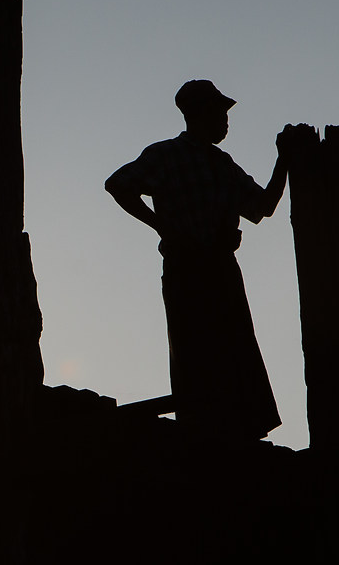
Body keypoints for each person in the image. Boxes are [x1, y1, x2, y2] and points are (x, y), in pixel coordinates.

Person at [103, 80, 299, 439]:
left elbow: (262, 207)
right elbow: (118, 184)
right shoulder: (166, 154)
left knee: (235, 344)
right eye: (219, 113)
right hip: (188, 265)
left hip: (221, 265)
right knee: (196, 346)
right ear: (198, 114)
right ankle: (203, 428)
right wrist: (163, 227)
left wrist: (283, 160)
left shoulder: (223, 164)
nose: (226, 121)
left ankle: (241, 427)